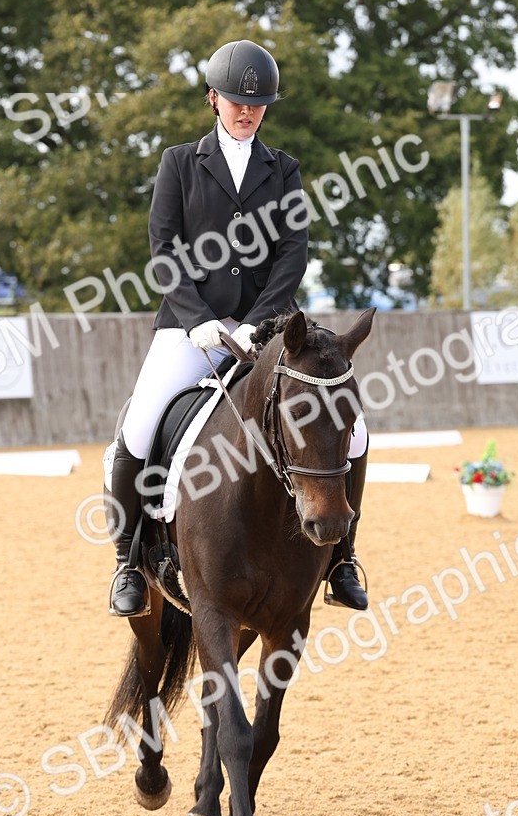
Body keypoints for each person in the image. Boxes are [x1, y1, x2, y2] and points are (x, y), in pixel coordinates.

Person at [109, 38, 369, 616]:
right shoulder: (180, 163)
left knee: (352, 432)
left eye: (258, 104)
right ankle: (128, 561)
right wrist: (199, 320)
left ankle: (344, 558)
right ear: (214, 100)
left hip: (268, 330)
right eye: (235, 101)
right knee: (140, 427)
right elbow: (163, 249)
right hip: (186, 327)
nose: (247, 111)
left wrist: (257, 324)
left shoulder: (284, 170)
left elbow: (292, 254)